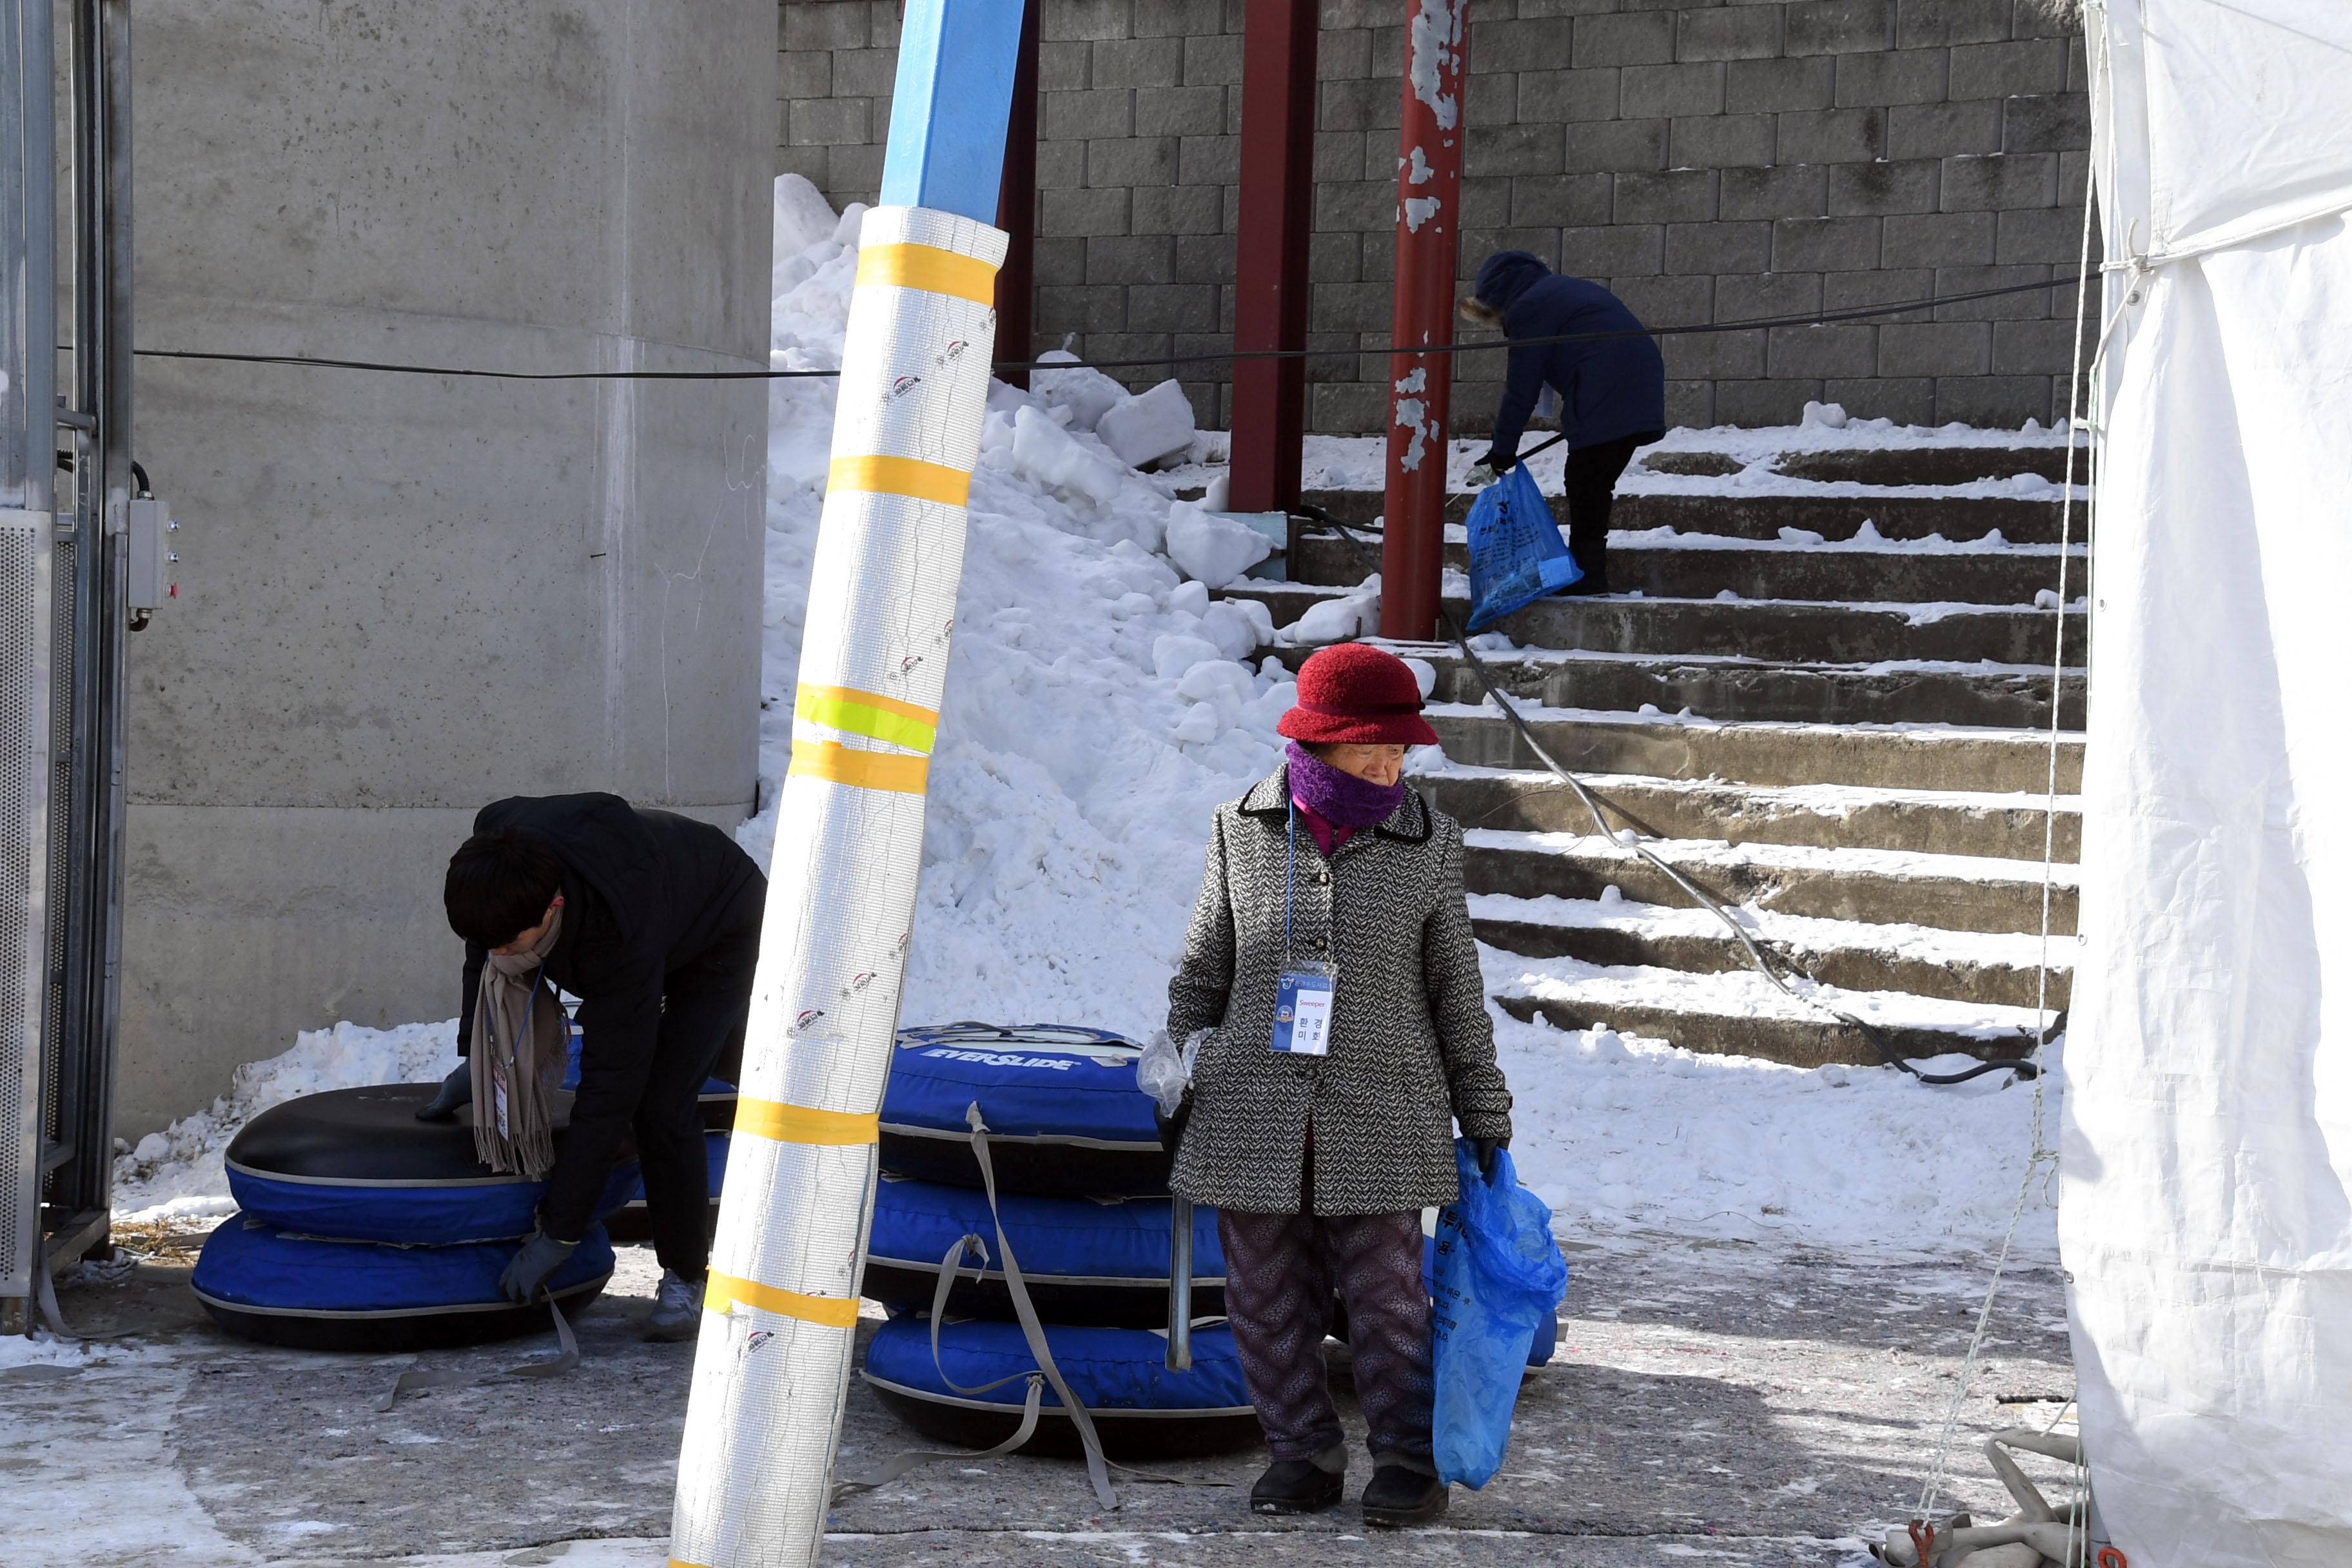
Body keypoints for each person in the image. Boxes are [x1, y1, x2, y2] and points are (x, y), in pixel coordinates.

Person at [1166, 642, 1514, 1527]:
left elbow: (1455, 989)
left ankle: (1404, 1462)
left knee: (1390, 1298)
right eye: (1376, 746)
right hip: (1251, 1106)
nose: (1393, 763)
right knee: (1261, 1296)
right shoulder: (1239, 827)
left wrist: (1484, 1110)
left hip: (1384, 1108)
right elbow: (1206, 967)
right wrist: (1174, 1057)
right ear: (1322, 742)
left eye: (1402, 749)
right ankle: (1302, 1453)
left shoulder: (1426, 840)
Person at [422, 792, 765, 1340]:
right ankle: (734, 1054)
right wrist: (479, 1057)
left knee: (660, 1100)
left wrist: (561, 1233)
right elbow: (483, 953)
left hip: (720, 924)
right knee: (679, 1058)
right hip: (657, 896)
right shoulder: (495, 854)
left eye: (513, 942)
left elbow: (609, 1094)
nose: (500, 954)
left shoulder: (616, 935)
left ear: (553, 908)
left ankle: (685, 1274)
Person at [1461, 250, 1667, 596]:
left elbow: (1521, 389)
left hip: (1607, 390)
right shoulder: (1558, 290)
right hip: (1639, 388)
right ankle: (1588, 572)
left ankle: (1588, 576)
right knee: (1593, 481)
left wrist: (1501, 451)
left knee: (1586, 480)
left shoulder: (1530, 307)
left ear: (1498, 297)